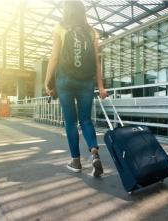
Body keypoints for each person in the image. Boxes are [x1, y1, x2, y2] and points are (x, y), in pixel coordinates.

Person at [44, 0, 107, 177]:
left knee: (70, 122)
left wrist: (47, 81)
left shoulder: (60, 28)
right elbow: (96, 62)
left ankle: (76, 161)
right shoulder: (92, 32)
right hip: (86, 82)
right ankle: (94, 153)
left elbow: (54, 57)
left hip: (65, 81)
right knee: (86, 120)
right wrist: (101, 86)